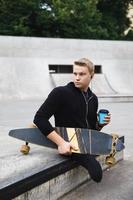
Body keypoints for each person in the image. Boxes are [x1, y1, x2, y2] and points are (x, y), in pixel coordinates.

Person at [33, 58, 111, 183]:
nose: (77, 78)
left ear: (92, 75)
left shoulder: (93, 99)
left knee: (99, 169)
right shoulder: (61, 93)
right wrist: (61, 143)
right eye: (75, 74)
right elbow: (39, 119)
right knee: (96, 171)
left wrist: (100, 125)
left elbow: (91, 129)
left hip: (86, 143)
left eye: (82, 74)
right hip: (69, 143)